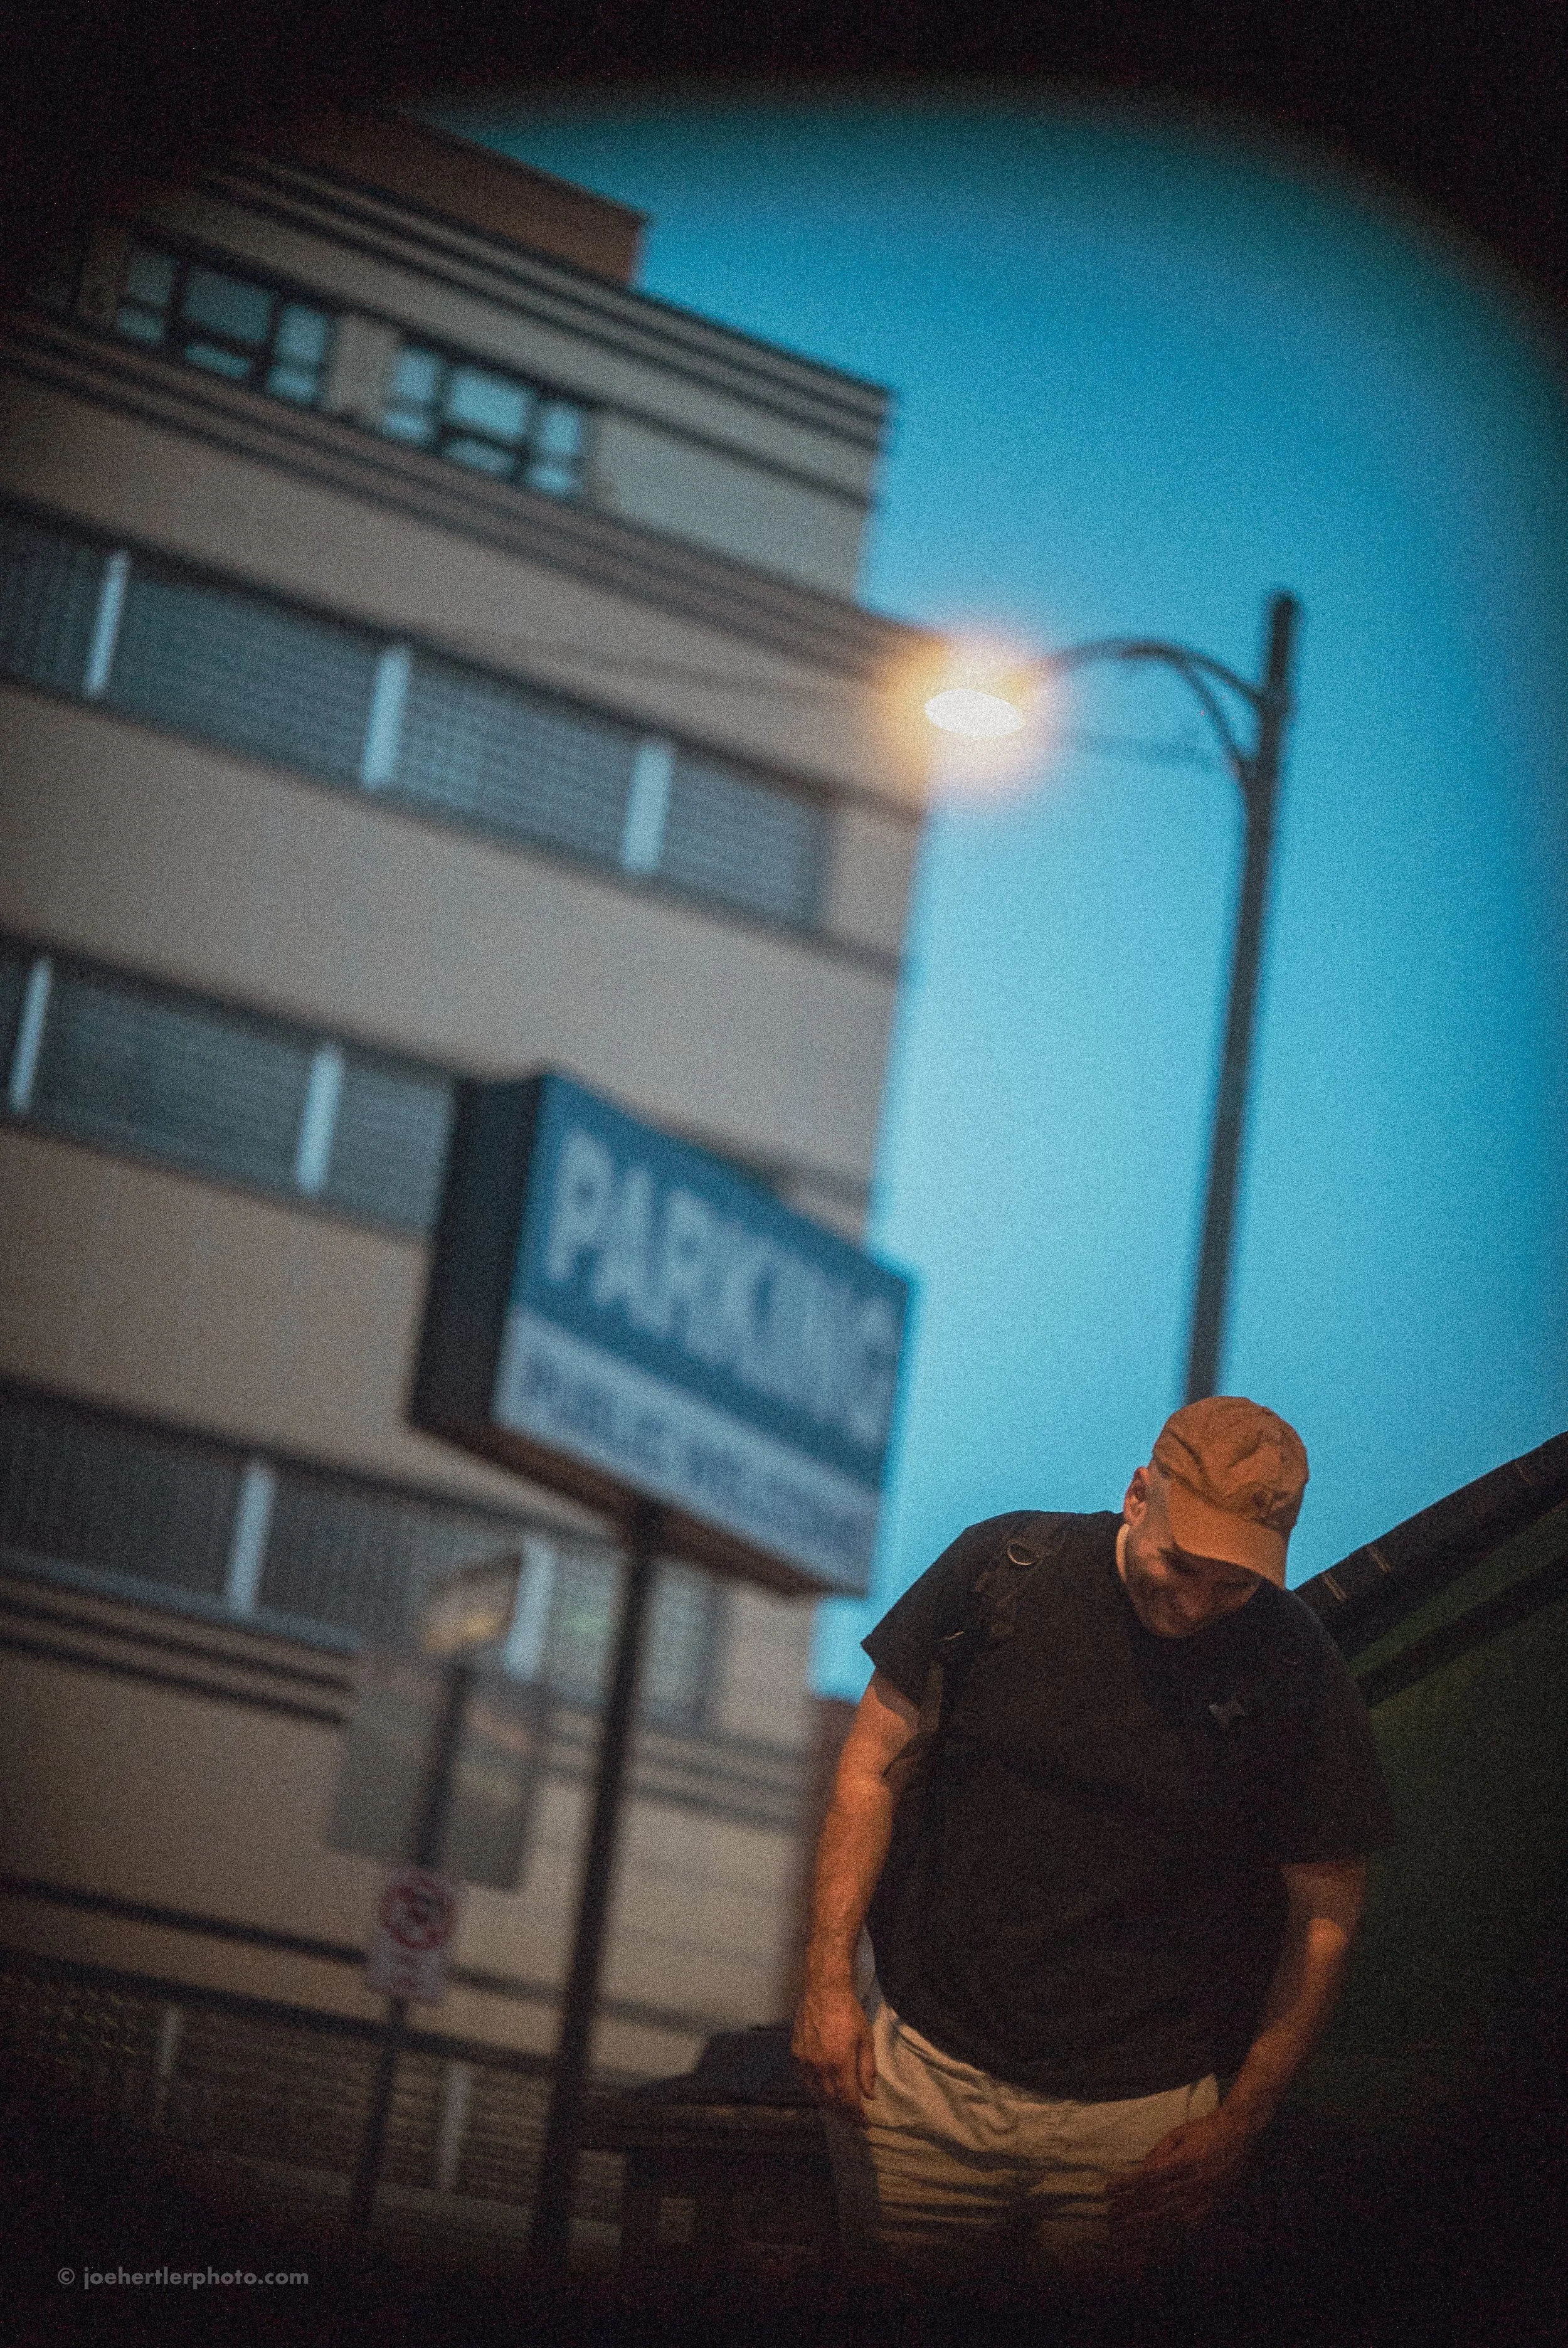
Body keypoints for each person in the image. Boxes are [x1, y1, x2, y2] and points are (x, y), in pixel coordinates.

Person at [792, 1395, 1396, 2281]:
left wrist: (1244, 2119)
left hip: (1138, 2127)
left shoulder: (1294, 1663)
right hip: (924, 2081)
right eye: (1182, 1564)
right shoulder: (1004, 1567)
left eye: (1234, 1583)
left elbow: (1327, 1906)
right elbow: (868, 1767)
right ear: (1137, 1492)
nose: (1198, 1602)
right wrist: (826, 1981)